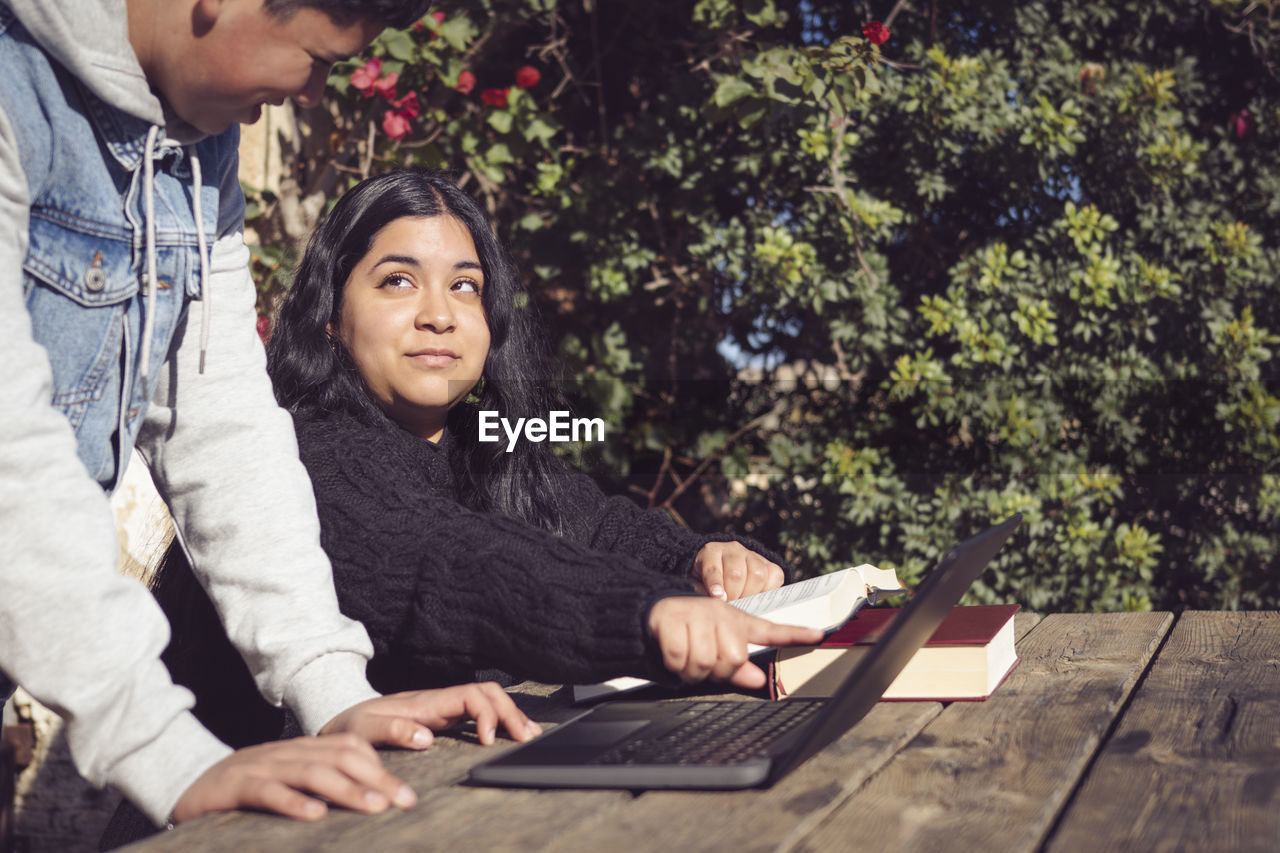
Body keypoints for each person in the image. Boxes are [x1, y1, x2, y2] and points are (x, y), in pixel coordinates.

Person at [0, 0, 538, 834]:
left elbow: (221, 425)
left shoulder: (194, 150)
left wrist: (333, 689)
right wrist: (169, 753)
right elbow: (10, 463)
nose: (314, 94)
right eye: (319, 60)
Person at [262, 169, 824, 691]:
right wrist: (645, 612)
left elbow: (610, 532)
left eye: (465, 286)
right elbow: (455, 563)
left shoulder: (491, 449)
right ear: (331, 317)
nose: (440, 314)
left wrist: (712, 561)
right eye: (398, 280)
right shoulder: (309, 458)